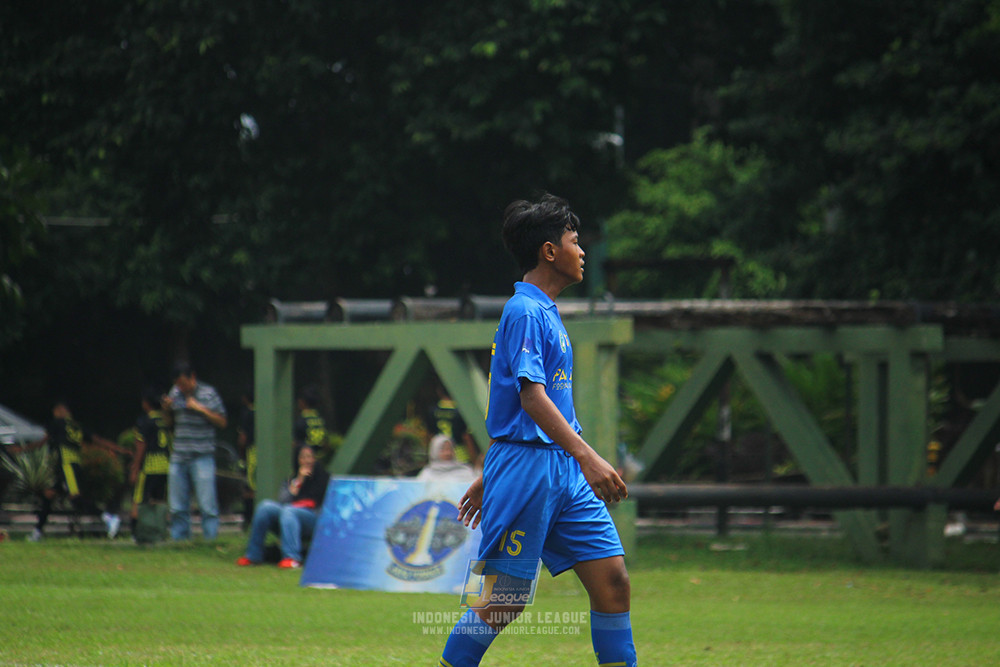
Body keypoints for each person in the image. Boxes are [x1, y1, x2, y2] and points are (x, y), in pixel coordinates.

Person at [439, 194, 637, 666]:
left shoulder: (545, 311)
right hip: (533, 467)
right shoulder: (524, 311)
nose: (582, 250)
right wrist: (588, 456)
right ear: (550, 251)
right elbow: (531, 397)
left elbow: (519, 402)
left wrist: (493, 473)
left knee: (613, 582)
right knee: (502, 600)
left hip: (557, 469)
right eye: (574, 240)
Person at [13, 400, 127, 541]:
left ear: (61, 411)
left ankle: (108, 517)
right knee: (49, 495)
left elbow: (42, 442)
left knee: (75, 498)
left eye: (55, 411)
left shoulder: (58, 423)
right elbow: (97, 440)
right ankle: (37, 533)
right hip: (74, 465)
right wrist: (119, 449)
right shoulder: (77, 426)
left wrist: (22, 449)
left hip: (67, 465)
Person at [236, 444, 330, 569]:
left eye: (310, 457)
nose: (307, 461)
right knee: (265, 507)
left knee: (289, 511)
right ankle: (253, 555)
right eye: (303, 457)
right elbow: (284, 501)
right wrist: (299, 480)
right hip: (289, 518)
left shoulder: (324, 478)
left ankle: (291, 558)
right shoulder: (290, 481)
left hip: (314, 518)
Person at [163, 362, 227, 541]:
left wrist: (200, 408)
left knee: (207, 505)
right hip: (179, 455)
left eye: (183, 383)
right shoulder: (174, 393)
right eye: (178, 384)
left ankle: (210, 540)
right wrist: (166, 410)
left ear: (193, 377)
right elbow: (169, 424)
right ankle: (179, 540)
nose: (181, 388)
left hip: (202, 456)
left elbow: (222, 421)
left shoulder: (209, 393)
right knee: (177, 505)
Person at [128, 388, 171, 536]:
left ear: (146, 403)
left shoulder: (145, 421)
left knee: (139, 499)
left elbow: (141, 446)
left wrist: (135, 468)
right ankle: (160, 531)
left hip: (149, 466)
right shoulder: (165, 420)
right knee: (160, 500)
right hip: (165, 466)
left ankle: (136, 532)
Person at [429, 384, 481, 468]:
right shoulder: (461, 410)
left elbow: (430, 435)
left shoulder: (433, 410)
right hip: (460, 454)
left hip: (439, 454)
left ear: (439, 392)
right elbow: (466, 436)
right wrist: (473, 458)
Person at [292, 385, 329, 469]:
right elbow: (326, 444)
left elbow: (295, 443)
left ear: (302, 402)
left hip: (305, 465)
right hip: (319, 462)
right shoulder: (320, 420)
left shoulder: (301, 420)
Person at [236, 386, 256, 531]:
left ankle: (249, 519)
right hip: (264, 451)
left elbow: (243, 438)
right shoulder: (264, 410)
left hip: (252, 451)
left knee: (249, 486)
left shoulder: (248, 413)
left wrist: (240, 453)